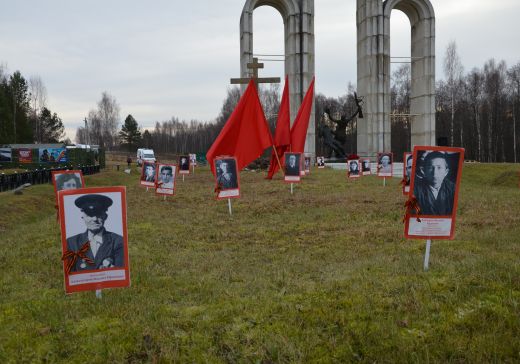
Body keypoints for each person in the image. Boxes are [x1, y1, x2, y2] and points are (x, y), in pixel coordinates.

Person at [65, 194, 124, 272]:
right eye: (90, 215)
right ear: (83, 217)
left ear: (105, 216)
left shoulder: (118, 241)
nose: (95, 219)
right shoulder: (71, 243)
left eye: (99, 214)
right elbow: (70, 275)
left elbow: (120, 273)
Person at [414, 151, 456, 215]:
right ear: (423, 171)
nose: (435, 173)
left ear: (446, 172)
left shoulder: (453, 189)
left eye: (439, 167)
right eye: (430, 167)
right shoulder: (415, 190)